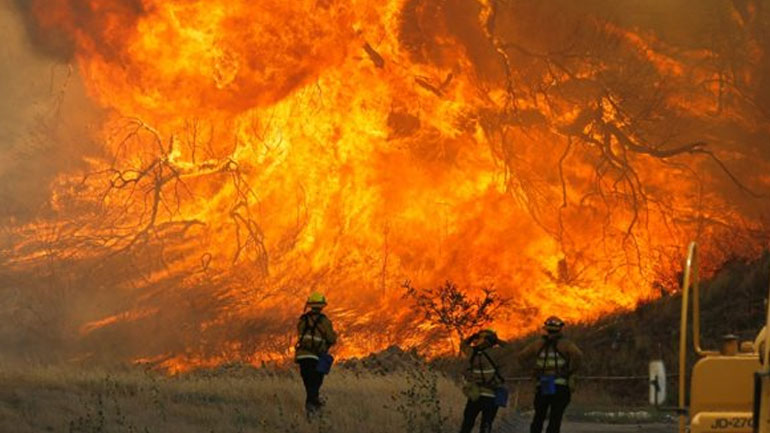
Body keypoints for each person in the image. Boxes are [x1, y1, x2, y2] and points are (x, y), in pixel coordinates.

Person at [518, 316, 583, 433]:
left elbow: (521, 357)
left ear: (546, 329)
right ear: (560, 329)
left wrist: (532, 370)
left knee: (539, 416)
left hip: (544, 383)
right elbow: (578, 355)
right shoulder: (566, 345)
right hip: (560, 384)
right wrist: (571, 371)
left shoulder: (537, 344)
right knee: (555, 417)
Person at [295, 291, 337, 417]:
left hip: (302, 357)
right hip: (316, 357)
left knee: (309, 385)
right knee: (315, 385)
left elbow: (300, 334)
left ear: (310, 305)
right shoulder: (324, 321)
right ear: (322, 306)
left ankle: (313, 410)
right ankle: (313, 412)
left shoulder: (302, 320)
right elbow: (331, 339)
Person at [459, 329, 508, 433]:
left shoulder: (472, 353)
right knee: (486, 425)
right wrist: (497, 341)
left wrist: (471, 337)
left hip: (475, 395)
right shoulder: (496, 353)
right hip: (491, 396)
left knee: (467, 423)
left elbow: (463, 345)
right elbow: (510, 348)